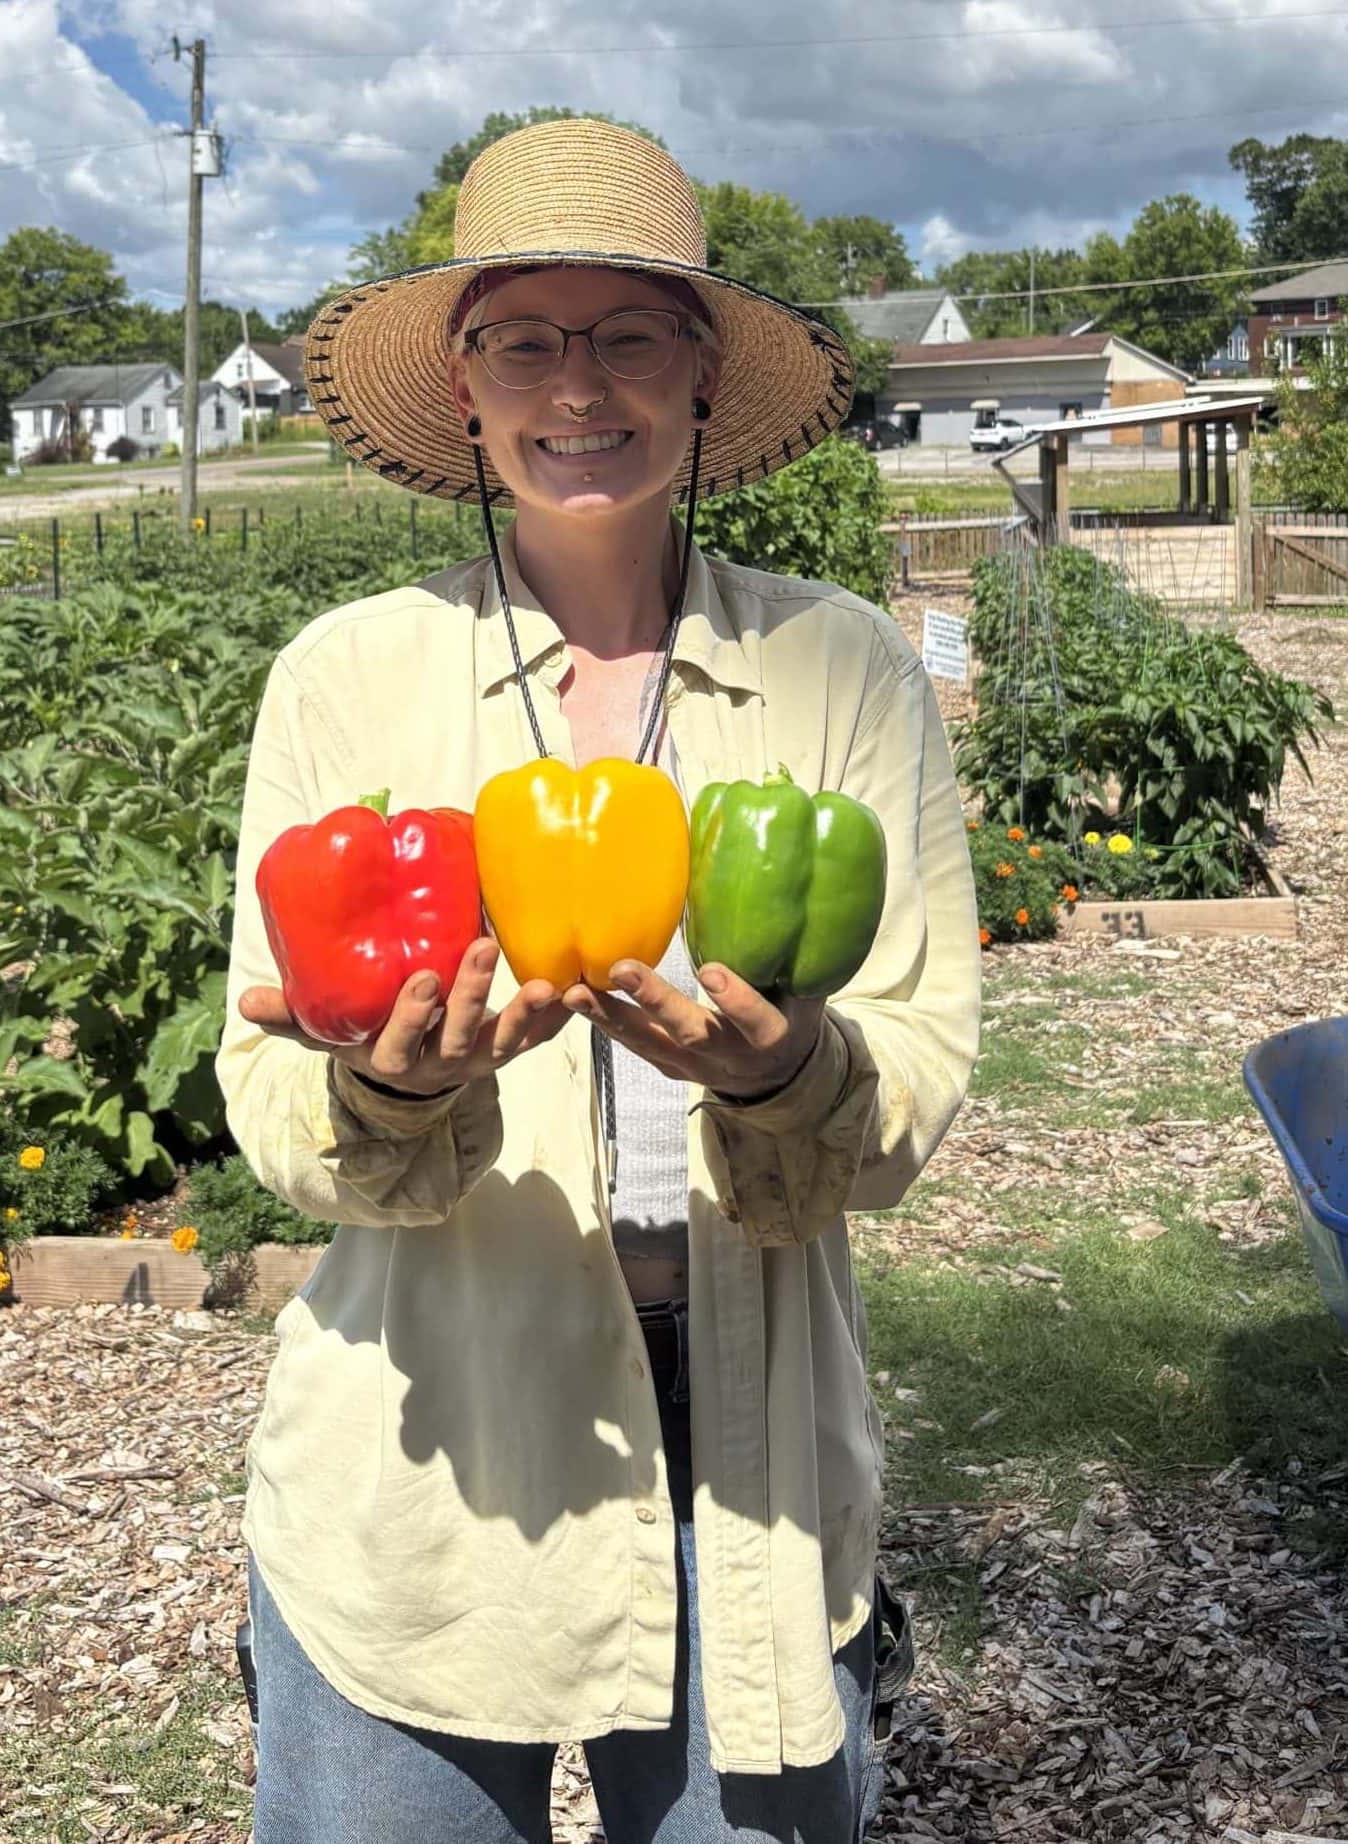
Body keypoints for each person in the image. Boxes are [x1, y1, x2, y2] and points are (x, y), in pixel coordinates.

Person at [217, 117, 981, 1843]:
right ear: (469, 392)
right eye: (526, 342)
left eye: (630, 334)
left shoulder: (838, 670)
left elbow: (920, 1066)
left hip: (755, 1442)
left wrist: (791, 1080)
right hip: (426, 1454)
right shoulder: (348, 677)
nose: (582, 387)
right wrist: (387, 1088)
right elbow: (264, 1089)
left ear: (702, 378)